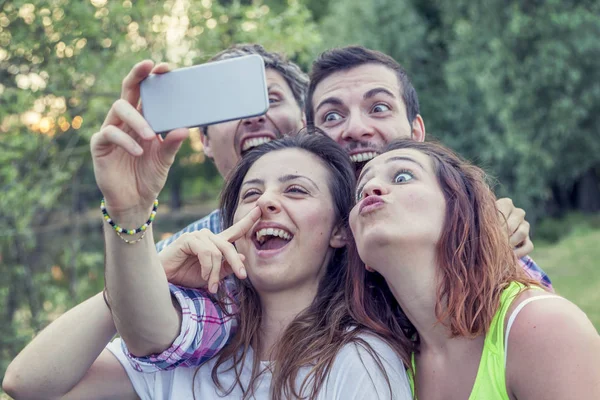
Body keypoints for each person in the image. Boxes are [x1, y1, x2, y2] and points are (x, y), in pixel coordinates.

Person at [3, 133, 412, 399]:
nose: (266, 202)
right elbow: (28, 385)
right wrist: (138, 240)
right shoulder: (190, 352)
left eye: (295, 190)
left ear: (341, 228)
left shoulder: (359, 360)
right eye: (251, 193)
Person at [348, 138, 600, 399]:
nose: (371, 188)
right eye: (360, 191)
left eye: (402, 177)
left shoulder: (543, 327)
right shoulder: (385, 367)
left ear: (459, 208)